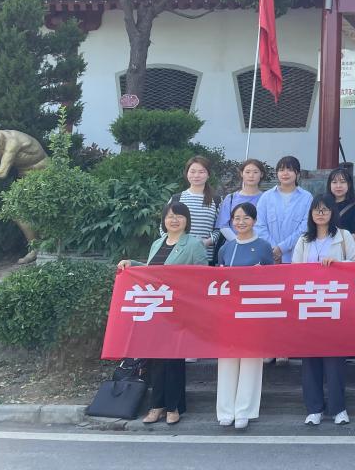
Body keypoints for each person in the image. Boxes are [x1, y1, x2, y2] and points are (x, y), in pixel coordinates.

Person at [117, 202, 207, 425]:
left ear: (187, 220)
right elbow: (151, 272)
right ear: (163, 221)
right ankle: (156, 405)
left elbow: (204, 276)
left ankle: (174, 406)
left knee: (173, 360)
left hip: (179, 311)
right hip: (157, 310)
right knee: (156, 360)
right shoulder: (157, 243)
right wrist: (132, 264)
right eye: (170, 216)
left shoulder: (193, 244)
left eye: (179, 216)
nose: (174, 220)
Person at [293, 193, 355, 427]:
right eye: (316, 210)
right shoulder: (304, 240)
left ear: (332, 212)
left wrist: (338, 264)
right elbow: (294, 272)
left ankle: (338, 408)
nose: (320, 214)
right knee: (310, 360)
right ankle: (314, 409)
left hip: (335, 306)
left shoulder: (343, 237)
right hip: (309, 305)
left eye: (325, 209)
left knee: (334, 360)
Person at [215, 202, 274, 429]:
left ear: (254, 221)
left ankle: (244, 411)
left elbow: (272, 280)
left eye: (246, 218)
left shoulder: (263, 247)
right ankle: (225, 410)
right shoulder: (226, 248)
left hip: (253, 312)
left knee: (250, 361)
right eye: (237, 218)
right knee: (227, 360)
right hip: (228, 312)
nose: (241, 222)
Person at [255, 156, 313, 265]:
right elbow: (259, 226)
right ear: (277, 173)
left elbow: (305, 227)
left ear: (298, 174)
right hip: (269, 257)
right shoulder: (266, 197)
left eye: (290, 170)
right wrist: (274, 249)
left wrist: (282, 248)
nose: (285, 173)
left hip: (296, 256)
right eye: (281, 170)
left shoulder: (306, 197)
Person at [171, 155, 220, 263]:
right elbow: (164, 226)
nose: (196, 175)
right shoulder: (177, 198)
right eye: (192, 171)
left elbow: (219, 229)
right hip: (178, 256)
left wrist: (208, 241)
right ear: (187, 173)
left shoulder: (216, 200)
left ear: (208, 175)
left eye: (201, 172)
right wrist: (175, 241)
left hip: (204, 257)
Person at [215, 159, 265, 243]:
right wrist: (239, 242)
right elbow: (223, 226)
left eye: (255, 172)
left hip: (258, 244)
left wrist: (254, 242)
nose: (251, 175)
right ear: (242, 174)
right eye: (247, 172)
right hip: (233, 245)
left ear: (261, 174)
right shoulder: (230, 198)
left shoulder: (266, 198)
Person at [326, 166, 355, 247]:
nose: (338, 186)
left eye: (342, 182)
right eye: (334, 182)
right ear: (329, 185)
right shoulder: (324, 204)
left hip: (346, 250)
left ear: (349, 184)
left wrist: (341, 251)